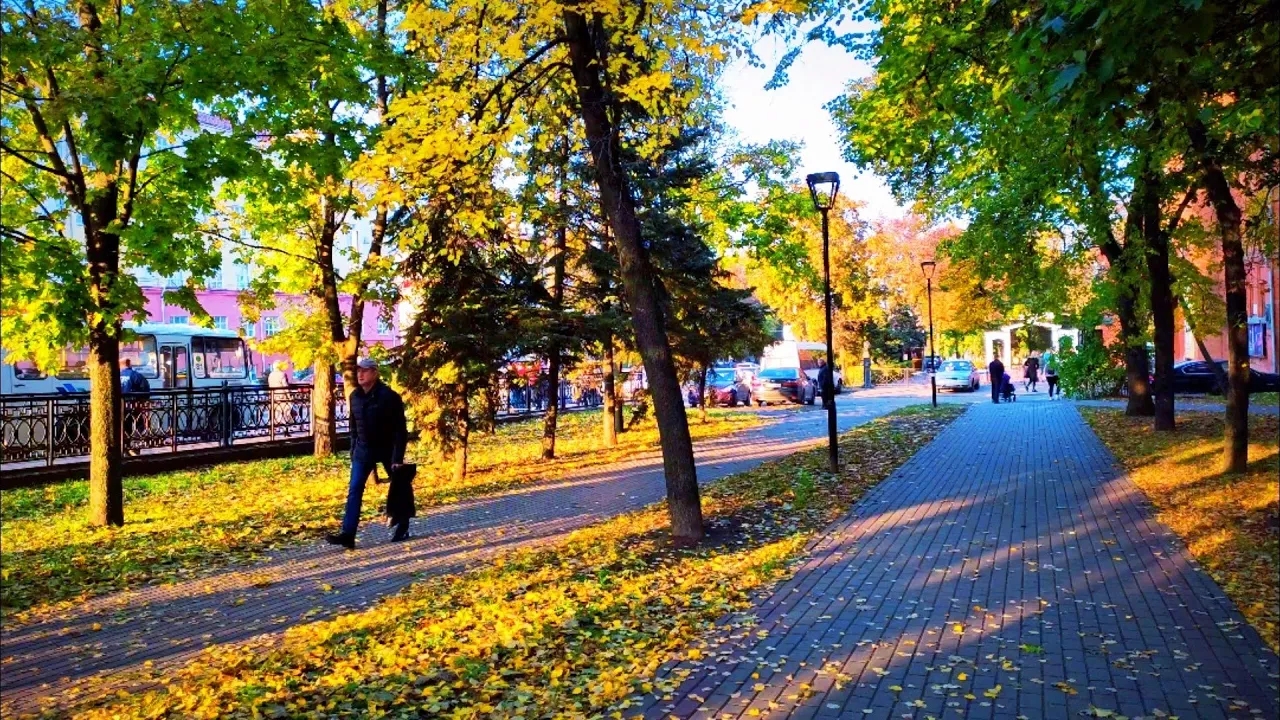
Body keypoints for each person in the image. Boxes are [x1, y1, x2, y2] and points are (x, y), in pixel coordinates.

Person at [327, 358, 409, 549]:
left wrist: (397, 458)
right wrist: (354, 449)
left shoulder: (389, 396)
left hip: (387, 449)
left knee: (399, 487)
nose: (360, 374)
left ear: (375, 373)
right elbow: (353, 428)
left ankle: (403, 525)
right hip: (363, 450)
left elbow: (400, 431)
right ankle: (348, 534)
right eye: (358, 371)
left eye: (364, 371)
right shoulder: (355, 396)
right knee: (354, 490)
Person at [120, 358, 151, 455]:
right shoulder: (136, 375)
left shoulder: (114, 376)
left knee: (123, 428)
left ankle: (124, 449)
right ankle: (134, 448)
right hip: (133, 407)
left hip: (119, 407)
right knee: (139, 426)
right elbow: (145, 391)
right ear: (129, 364)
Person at [268, 361, 293, 431]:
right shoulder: (282, 374)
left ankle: (273, 428)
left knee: (277, 412)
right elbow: (285, 387)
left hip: (274, 396)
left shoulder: (270, 375)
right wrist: (289, 396)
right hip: (282, 396)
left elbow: (270, 386)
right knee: (285, 411)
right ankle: (285, 428)